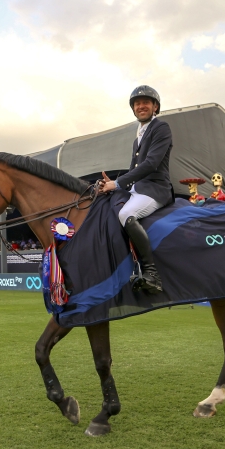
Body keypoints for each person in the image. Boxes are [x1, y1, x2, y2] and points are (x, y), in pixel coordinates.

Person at [98, 85, 174, 294]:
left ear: (155, 107)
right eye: (137, 104)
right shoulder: (138, 137)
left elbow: (151, 164)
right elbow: (134, 170)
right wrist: (113, 184)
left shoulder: (161, 127)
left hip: (155, 189)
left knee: (126, 213)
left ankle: (152, 274)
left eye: (146, 102)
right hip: (138, 188)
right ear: (133, 108)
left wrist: (118, 183)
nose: (141, 106)